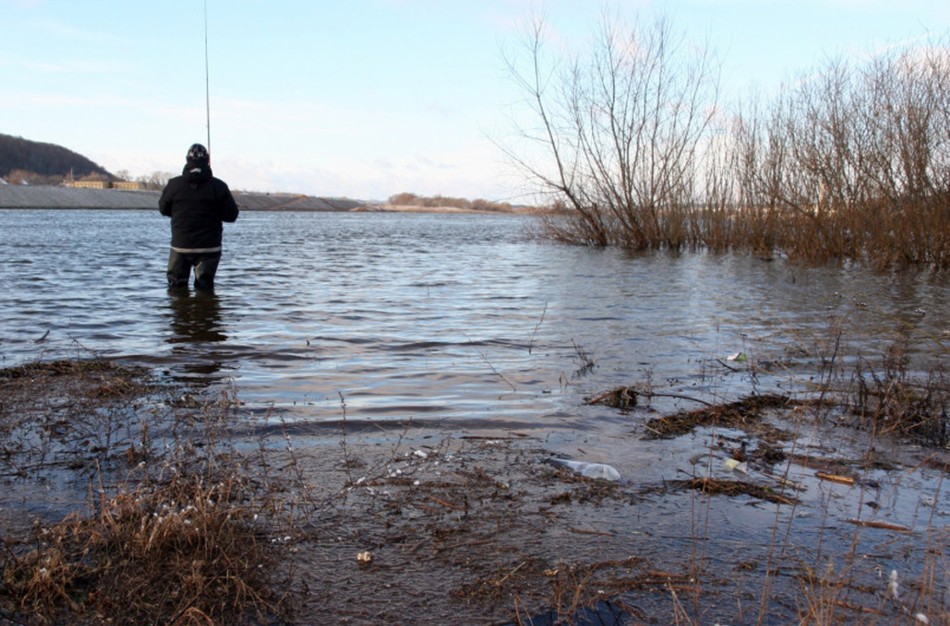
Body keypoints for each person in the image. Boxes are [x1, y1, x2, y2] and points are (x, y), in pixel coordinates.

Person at [159, 143, 239, 290]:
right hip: (209, 247)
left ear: (187, 159)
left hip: (181, 246)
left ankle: (180, 304)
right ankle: (205, 305)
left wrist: (179, 213)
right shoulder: (219, 186)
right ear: (207, 160)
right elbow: (231, 216)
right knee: (205, 289)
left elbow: (163, 209)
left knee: (176, 289)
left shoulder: (174, 185)